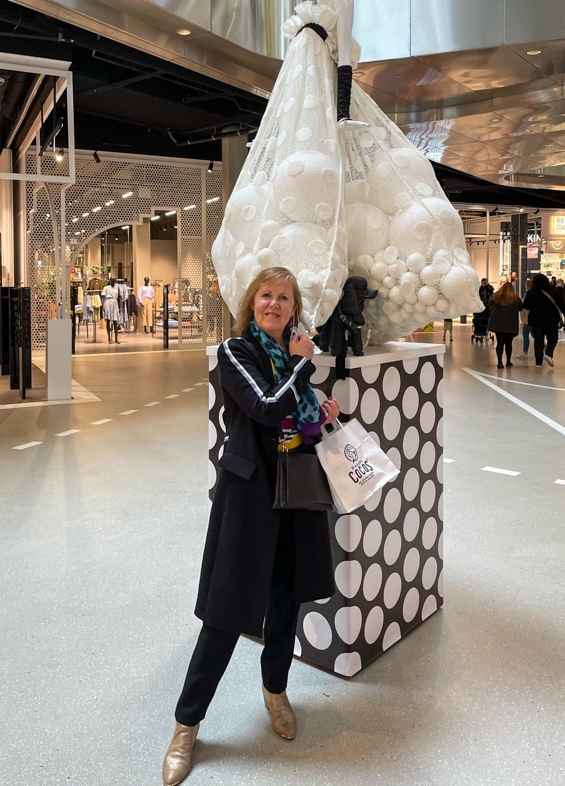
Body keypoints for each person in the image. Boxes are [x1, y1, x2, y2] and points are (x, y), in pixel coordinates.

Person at [211, 0, 480, 345]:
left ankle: (342, 314)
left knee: (342, 196)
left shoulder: (341, 2)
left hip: (328, 101)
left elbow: (346, 61)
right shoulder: (304, 5)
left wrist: (340, 113)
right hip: (301, 104)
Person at [162, 266, 340, 785]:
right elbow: (265, 408)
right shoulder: (236, 352)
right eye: (267, 295)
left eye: (285, 298)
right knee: (224, 613)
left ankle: (276, 691)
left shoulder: (293, 360)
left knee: (285, 600)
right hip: (249, 496)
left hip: (296, 494)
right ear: (252, 302)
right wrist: (305, 368)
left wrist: (320, 414)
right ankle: (186, 726)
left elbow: (294, 417)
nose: (276, 304)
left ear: (294, 308)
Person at [523, 273, 563, 368]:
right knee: (553, 338)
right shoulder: (553, 291)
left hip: (536, 320)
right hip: (551, 319)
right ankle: (549, 353)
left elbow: (526, 306)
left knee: (538, 340)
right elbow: (561, 304)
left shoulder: (531, 293)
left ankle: (538, 362)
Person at [488, 281, 523, 369]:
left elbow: (489, 305)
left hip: (498, 324)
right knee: (509, 343)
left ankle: (499, 362)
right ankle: (508, 361)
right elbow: (521, 308)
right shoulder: (515, 298)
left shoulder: (495, 297)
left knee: (500, 343)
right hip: (510, 324)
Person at [101, 278, 121, 344]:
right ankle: (109, 338)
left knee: (115, 321)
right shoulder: (106, 288)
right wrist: (103, 305)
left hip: (115, 303)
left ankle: (116, 339)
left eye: (114, 281)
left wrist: (119, 307)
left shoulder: (117, 288)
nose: (113, 282)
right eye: (111, 281)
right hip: (108, 302)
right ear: (110, 281)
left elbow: (119, 297)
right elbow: (103, 297)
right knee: (108, 321)